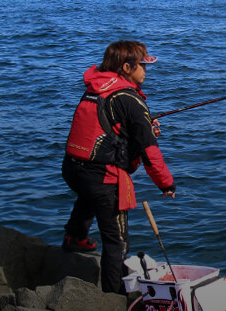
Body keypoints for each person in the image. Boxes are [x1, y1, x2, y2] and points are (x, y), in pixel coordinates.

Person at [62, 40, 176, 293]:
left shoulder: (96, 88)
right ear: (126, 67)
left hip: (73, 168)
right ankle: (113, 296)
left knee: (88, 196)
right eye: (142, 66)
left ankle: (74, 239)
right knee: (117, 241)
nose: (146, 71)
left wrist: (143, 125)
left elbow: (106, 127)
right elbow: (150, 151)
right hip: (103, 177)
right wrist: (166, 184)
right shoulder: (130, 99)